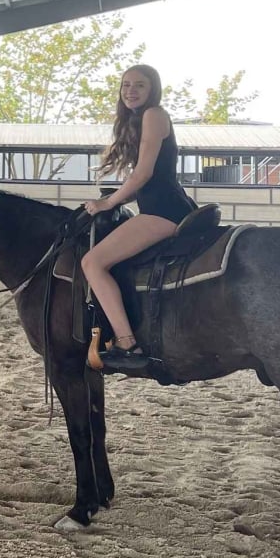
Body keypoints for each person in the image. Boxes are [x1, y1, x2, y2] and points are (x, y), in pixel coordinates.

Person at [80, 64, 197, 371]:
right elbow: (149, 179)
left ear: (152, 89)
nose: (131, 90)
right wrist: (119, 199)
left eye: (139, 85)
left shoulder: (154, 115)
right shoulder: (140, 119)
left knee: (92, 263)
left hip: (164, 211)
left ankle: (127, 343)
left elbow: (143, 174)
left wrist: (108, 203)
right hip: (161, 205)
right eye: (126, 85)